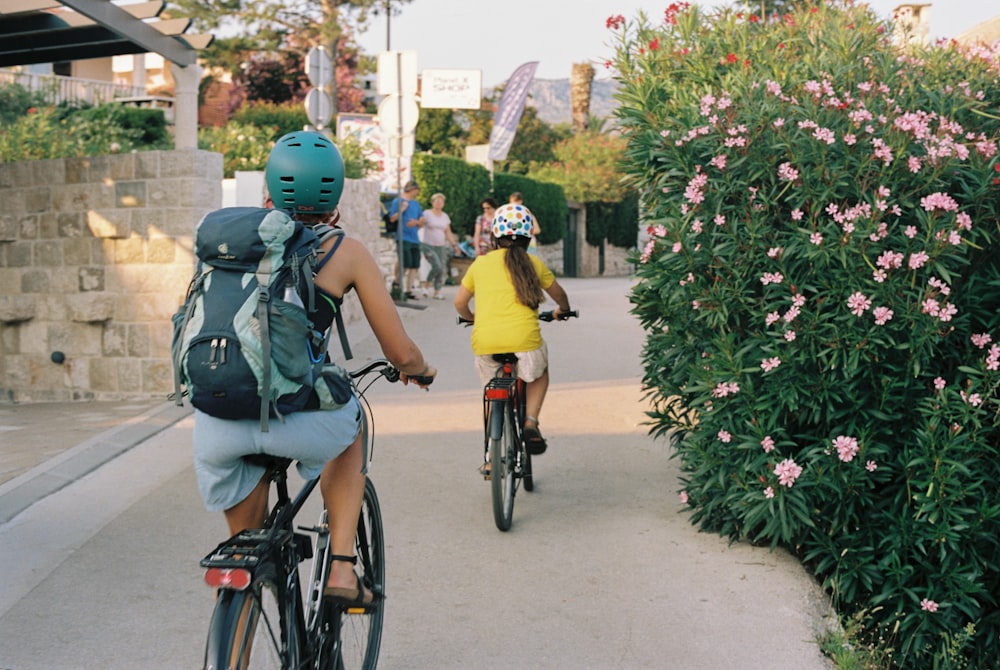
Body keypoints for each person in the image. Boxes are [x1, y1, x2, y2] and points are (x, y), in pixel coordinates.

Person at [192, 131, 437, 607]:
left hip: (217, 422)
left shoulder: (226, 244)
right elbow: (400, 353)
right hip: (303, 422)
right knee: (352, 430)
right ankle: (342, 569)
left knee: (247, 562)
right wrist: (420, 369)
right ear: (336, 206)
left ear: (267, 197)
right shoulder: (345, 251)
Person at [453, 202, 571, 467]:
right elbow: (560, 295)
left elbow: (459, 303)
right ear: (528, 237)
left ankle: (489, 457)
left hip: (486, 344)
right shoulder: (534, 263)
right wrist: (563, 310)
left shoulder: (480, 264)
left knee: (491, 390)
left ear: (494, 236)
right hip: (525, 343)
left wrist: (474, 319)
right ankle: (531, 422)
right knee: (539, 374)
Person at [420, 192, 462, 300]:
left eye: (441, 201)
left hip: (441, 246)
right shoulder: (427, 213)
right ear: (432, 202)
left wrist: (454, 245)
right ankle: (426, 285)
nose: (438, 203)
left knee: (441, 269)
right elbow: (419, 224)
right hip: (428, 245)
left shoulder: (445, 216)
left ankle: (437, 291)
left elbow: (448, 232)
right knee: (437, 266)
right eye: (436, 201)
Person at [388, 180, 425, 299]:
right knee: (405, 264)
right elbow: (392, 218)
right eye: (417, 190)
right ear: (412, 189)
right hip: (402, 236)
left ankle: (409, 290)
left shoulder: (416, 204)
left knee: (415, 265)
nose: (417, 192)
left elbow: (422, 220)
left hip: (414, 238)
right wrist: (402, 209)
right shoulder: (397, 201)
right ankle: (397, 285)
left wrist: (416, 222)